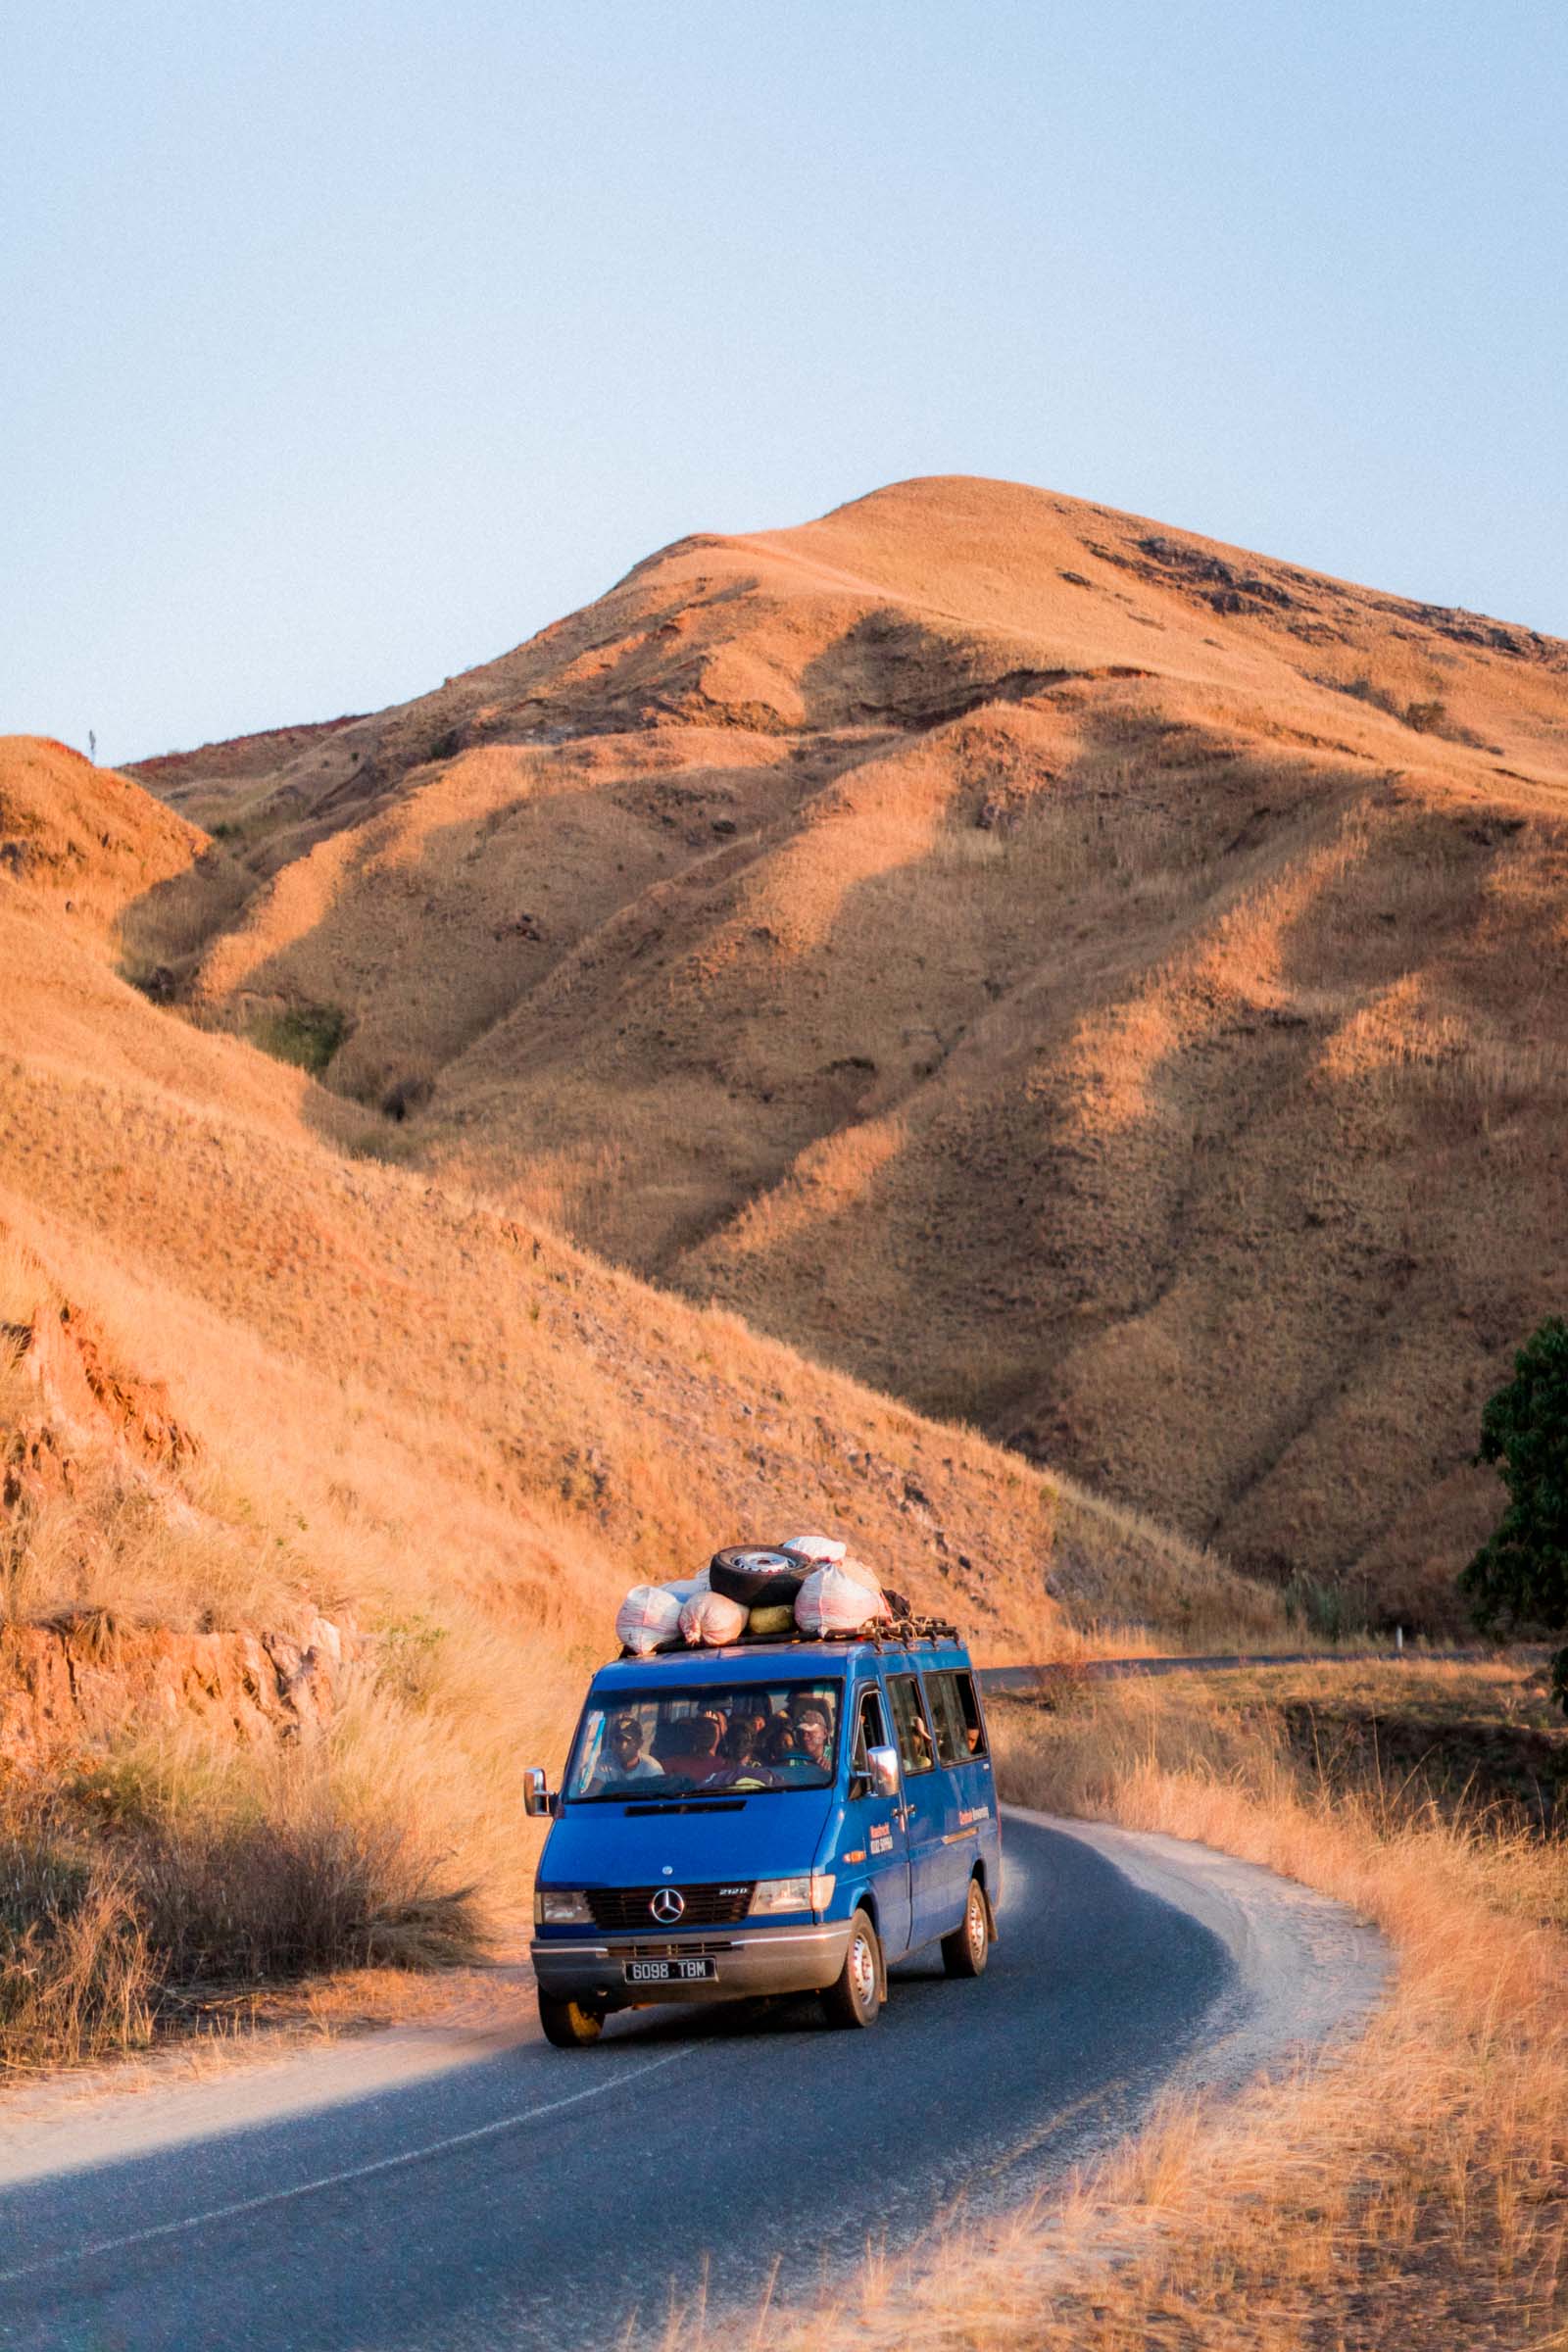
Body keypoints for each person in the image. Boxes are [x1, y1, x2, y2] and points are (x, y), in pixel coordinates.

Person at [591, 1712, 663, 1789]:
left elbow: (658, 1799)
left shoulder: (652, 1769)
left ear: (639, 1743)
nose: (623, 1746)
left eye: (628, 1741)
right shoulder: (606, 1757)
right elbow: (593, 1791)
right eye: (618, 1740)